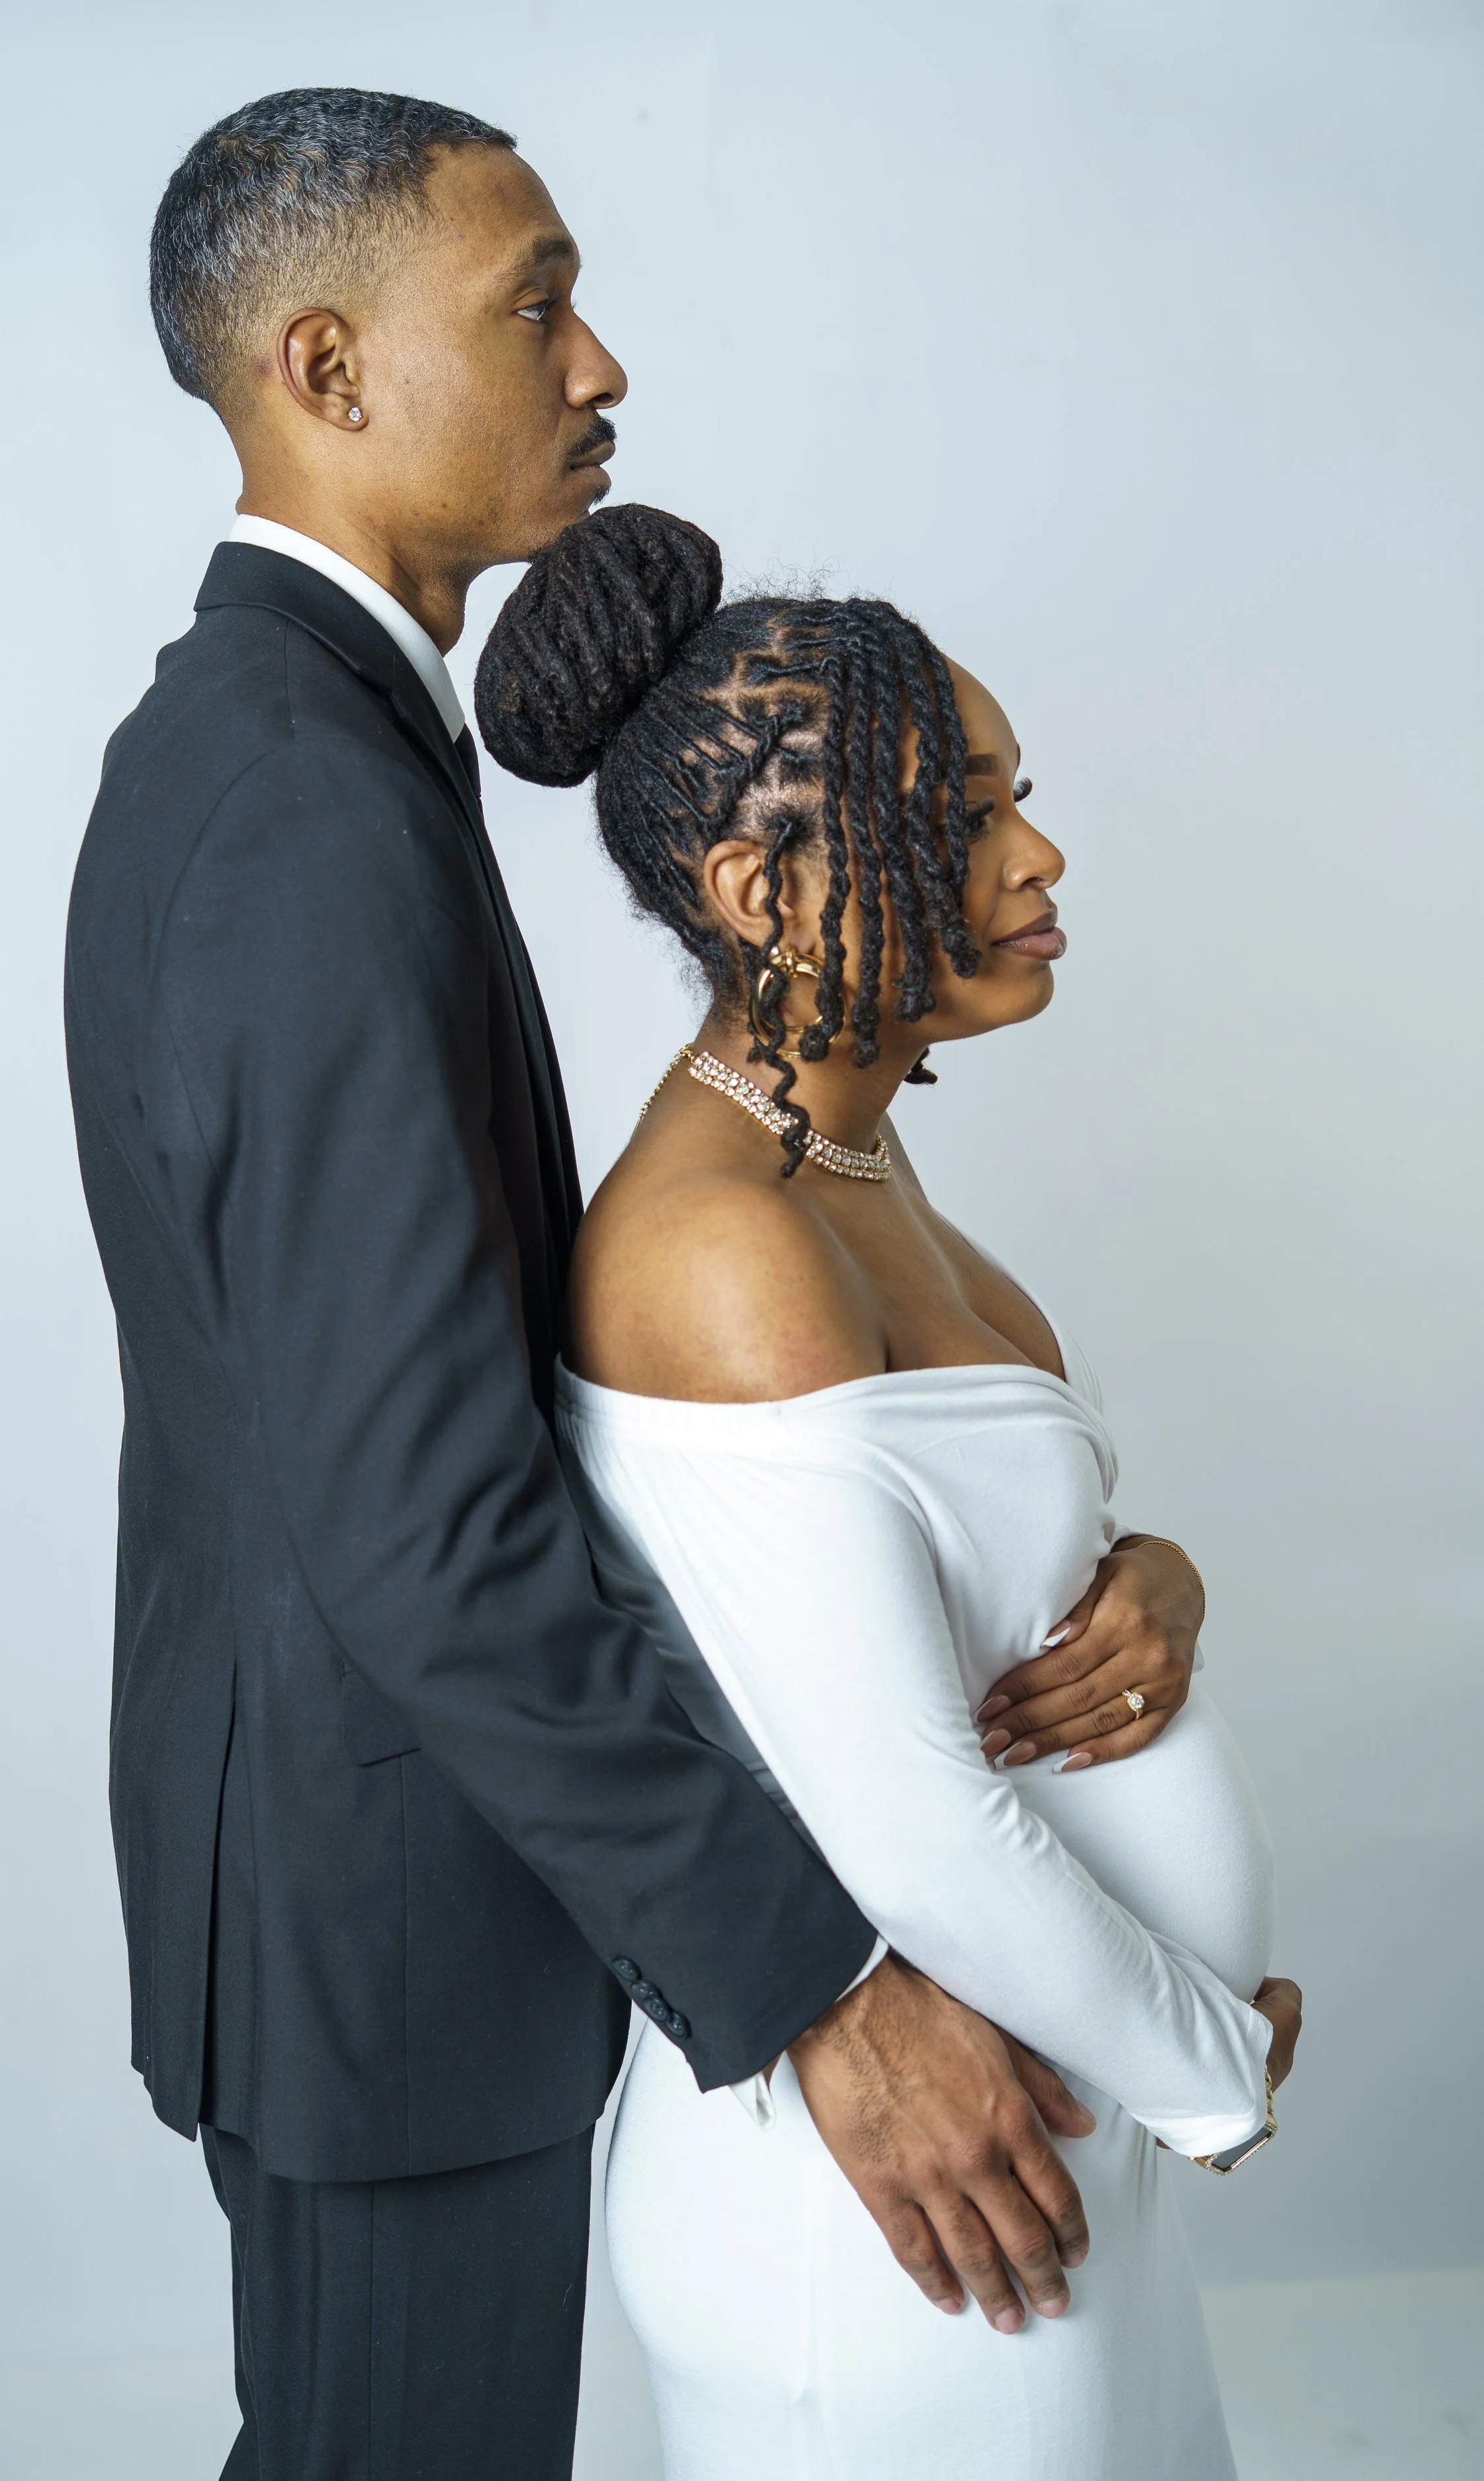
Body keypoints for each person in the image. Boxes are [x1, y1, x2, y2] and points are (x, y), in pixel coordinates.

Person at [65, 87, 1246, 2481]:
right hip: (378, 1933)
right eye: (533, 303)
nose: (599, 363)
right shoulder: (297, 805)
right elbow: (419, 1518)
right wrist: (818, 1982)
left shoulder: (313, 757)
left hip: (390, 1905)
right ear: (328, 363)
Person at [474, 504, 1303, 2480]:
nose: (1038, 858)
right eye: (969, 810)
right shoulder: (722, 1250)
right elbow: (909, 1826)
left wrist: (1151, 1572)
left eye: (1022, 796)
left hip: (1044, 2149)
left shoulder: (848, 1167)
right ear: (760, 885)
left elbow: (951, 1570)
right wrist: (1212, 2066)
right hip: (910, 2220)